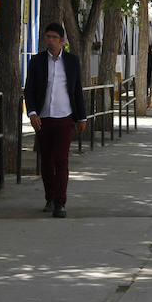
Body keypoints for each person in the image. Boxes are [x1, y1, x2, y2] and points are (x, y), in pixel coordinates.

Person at [24, 23, 87, 218]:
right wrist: (32, 112)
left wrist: (82, 117)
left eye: (53, 37)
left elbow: (77, 90)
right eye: (47, 37)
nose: (49, 40)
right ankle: (50, 197)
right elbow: (29, 90)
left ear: (62, 40)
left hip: (65, 117)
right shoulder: (36, 61)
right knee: (46, 162)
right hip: (43, 119)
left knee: (61, 160)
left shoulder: (71, 61)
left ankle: (60, 203)